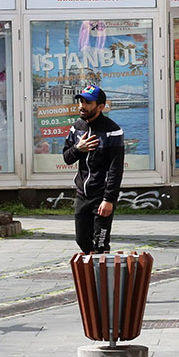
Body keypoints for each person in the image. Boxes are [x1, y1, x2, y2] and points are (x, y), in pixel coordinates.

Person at [61, 84, 125, 253]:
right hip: (83, 194)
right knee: (82, 240)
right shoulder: (77, 127)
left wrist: (109, 199)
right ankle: (95, 271)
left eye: (88, 102)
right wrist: (78, 148)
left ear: (100, 106)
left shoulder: (113, 131)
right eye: (81, 101)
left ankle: (103, 276)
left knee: (101, 244)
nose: (82, 106)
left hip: (101, 195)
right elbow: (67, 158)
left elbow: (115, 169)